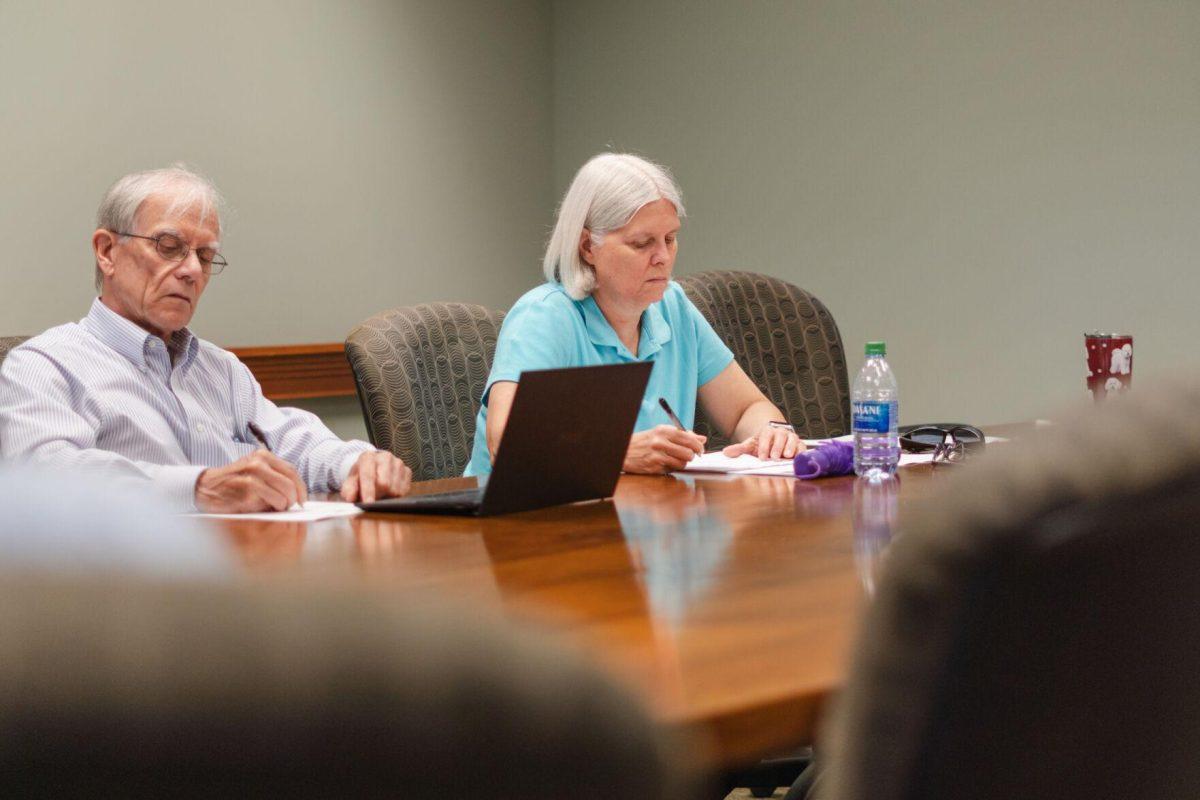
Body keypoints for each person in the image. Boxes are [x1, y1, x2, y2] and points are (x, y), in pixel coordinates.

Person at [0, 164, 411, 512]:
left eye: (205, 255)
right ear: (107, 251)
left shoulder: (220, 369)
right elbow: (44, 478)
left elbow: (293, 442)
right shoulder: (43, 365)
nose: (192, 270)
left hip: (245, 576)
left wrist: (357, 462)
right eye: (169, 246)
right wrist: (199, 489)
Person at [465, 153, 803, 476]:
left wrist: (772, 432)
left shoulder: (673, 307)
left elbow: (746, 408)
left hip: (632, 520)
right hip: (516, 524)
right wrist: (620, 453)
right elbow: (507, 443)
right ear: (587, 247)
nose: (662, 257)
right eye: (642, 243)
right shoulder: (544, 317)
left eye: (670, 239)